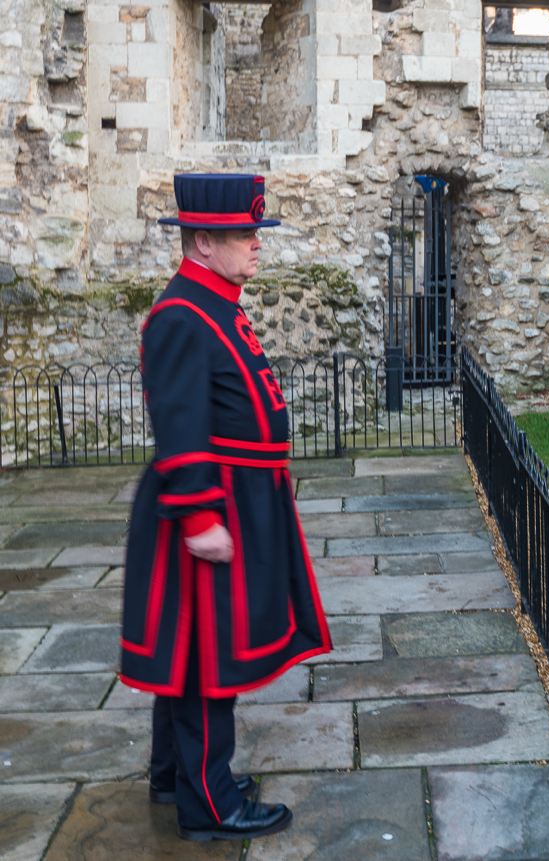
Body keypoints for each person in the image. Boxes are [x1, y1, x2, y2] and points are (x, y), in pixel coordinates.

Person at [119, 173, 331, 842]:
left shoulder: (216, 302)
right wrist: (202, 518)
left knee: (186, 654)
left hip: (241, 500)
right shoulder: (182, 315)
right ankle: (210, 801)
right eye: (246, 234)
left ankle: (169, 773)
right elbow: (180, 426)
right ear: (204, 241)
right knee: (209, 657)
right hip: (212, 508)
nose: (256, 245)